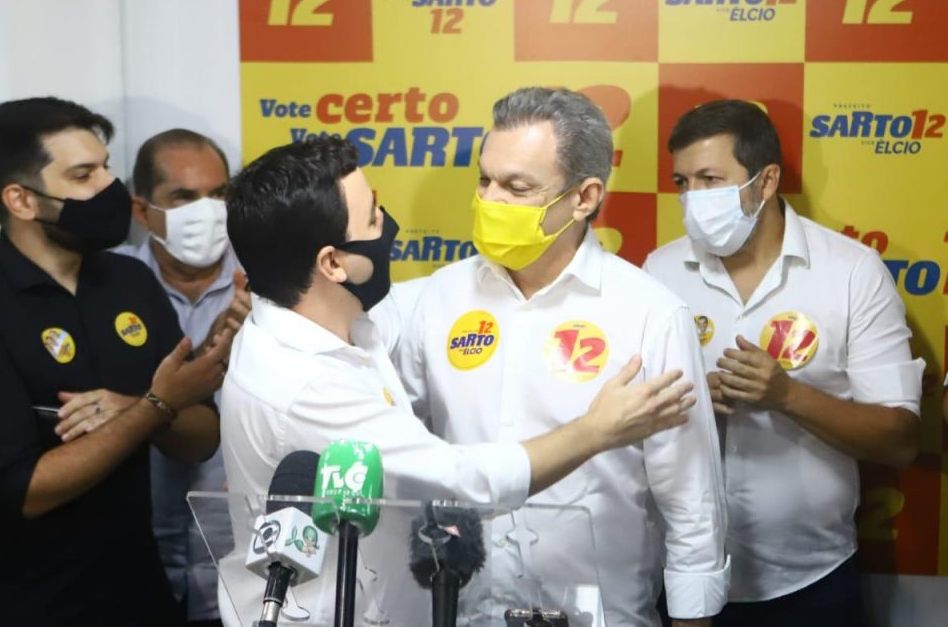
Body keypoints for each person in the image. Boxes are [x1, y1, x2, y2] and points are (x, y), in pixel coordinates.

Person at [217, 135, 698, 626]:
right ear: (333, 263)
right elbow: (461, 483)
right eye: (374, 218)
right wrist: (595, 431)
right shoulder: (303, 382)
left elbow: (434, 299)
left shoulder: (341, 318)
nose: (387, 227)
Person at [394, 86, 729, 627]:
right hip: (459, 612)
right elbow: (399, 452)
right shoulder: (437, 297)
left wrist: (694, 618)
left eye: (516, 187)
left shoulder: (649, 312)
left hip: (602, 615)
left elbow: (691, 501)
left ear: (584, 197)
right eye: (484, 180)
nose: (491, 200)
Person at [0, 97, 232, 627]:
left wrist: (138, 407)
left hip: (140, 592)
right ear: (22, 200)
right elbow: (25, 491)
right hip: (27, 603)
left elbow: (201, 436)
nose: (109, 186)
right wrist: (153, 407)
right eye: (84, 175)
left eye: (106, 167)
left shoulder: (131, 281)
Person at [643, 99, 923, 627]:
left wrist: (788, 396)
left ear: (766, 181)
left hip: (813, 579)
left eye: (710, 180)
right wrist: (691, 402)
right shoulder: (660, 271)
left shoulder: (851, 272)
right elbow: (625, 423)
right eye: (682, 183)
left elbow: (900, 439)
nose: (693, 199)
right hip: (682, 576)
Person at [118, 128, 250, 627]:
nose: (208, 212)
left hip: (244, 570)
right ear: (141, 210)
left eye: (219, 194)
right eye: (184, 197)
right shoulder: (108, 291)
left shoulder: (271, 286)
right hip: (132, 569)